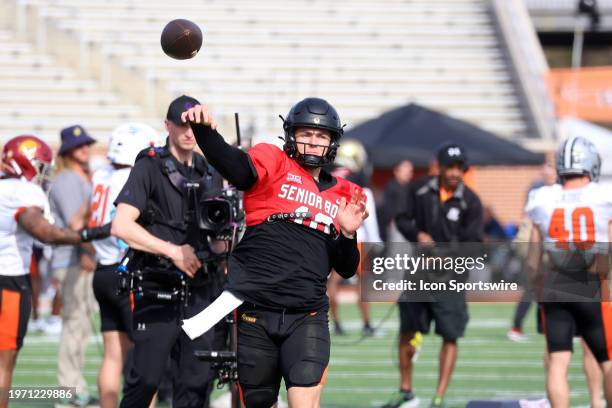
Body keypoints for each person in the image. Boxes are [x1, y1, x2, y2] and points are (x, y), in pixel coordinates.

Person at [182, 97, 368, 408]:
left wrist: (347, 234)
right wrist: (206, 133)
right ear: (291, 135)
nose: (312, 142)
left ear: (332, 142)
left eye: (320, 136)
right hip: (256, 311)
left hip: (306, 314)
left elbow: (347, 268)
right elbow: (238, 170)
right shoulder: (274, 160)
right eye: (305, 134)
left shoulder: (345, 193)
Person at [111, 95, 226, 408]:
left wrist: (224, 239)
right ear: (168, 126)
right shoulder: (149, 165)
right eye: (183, 125)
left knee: (197, 383)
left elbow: (218, 237)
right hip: (156, 285)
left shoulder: (211, 171)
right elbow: (121, 226)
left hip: (202, 289)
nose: (190, 133)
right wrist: (174, 251)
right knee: (145, 380)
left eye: (196, 126)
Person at [0, 135, 101, 408]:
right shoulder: (23, 191)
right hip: (8, 282)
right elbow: (46, 232)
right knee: (4, 364)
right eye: (40, 165)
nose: (43, 172)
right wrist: (92, 233)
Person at [386, 144, 483, 408]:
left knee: (450, 335)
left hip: (451, 280)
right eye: (449, 167)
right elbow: (402, 219)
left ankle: (438, 397)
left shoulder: (471, 201)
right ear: (438, 167)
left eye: (459, 167)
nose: (454, 172)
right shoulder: (418, 189)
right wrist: (417, 235)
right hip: (418, 275)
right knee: (408, 331)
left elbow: (474, 244)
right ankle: (406, 391)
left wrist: (447, 255)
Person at [526, 136, 612, 407]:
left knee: (558, 360)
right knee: (608, 360)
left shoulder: (543, 197)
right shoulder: (603, 195)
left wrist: (536, 282)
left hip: (556, 281)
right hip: (592, 279)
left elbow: (534, 250)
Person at [89, 123, 161, 408]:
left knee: (112, 355)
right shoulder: (132, 177)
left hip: (102, 269)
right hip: (126, 271)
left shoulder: (101, 174)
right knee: (145, 357)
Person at [48, 125, 99, 407]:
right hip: (73, 258)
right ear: (67, 151)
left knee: (79, 327)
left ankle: (75, 386)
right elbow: (74, 224)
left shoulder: (78, 175)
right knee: (74, 326)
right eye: (79, 146)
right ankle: (67, 391)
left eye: (86, 144)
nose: (85, 149)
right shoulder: (67, 179)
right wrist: (88, 252)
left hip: (78, 257)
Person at [328, 138, 382, 336]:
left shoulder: (329, 178)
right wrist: (376, 242)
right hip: (356, 240)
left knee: (332, 283)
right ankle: (367, 324)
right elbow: (369, 218)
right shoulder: (361, 184)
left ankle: (336, 324)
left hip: (331, 236)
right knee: (363, 284)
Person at [378, 160, 413, 243]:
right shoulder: (391, 187)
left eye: (410, 171)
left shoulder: (410, 188)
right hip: (396, 226)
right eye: (406, 171)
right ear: (396, 171)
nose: (409, 174)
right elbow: (387, 209)